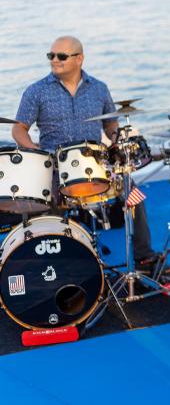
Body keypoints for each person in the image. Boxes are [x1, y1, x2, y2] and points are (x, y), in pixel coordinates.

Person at [13, 35, 159, 269]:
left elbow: (111, 124)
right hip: (55, 165)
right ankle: (50, 262)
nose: (54, 60)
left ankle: (144, 254)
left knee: (134, 194)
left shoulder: (99, 89)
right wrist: (34, 150)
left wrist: (114, 139)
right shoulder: (36, 91)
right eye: (51, 55)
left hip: (95, 163)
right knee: (40, 205)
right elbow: (19, 129)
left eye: (61, 56)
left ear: (79, 59)